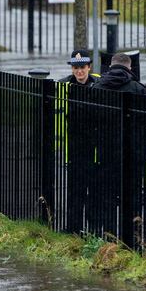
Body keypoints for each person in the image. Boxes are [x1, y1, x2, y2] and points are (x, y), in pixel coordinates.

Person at [90, 53, 146, 236]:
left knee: (108, 192)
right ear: (130, 67)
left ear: (110, 66)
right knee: (133, 191)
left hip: (106, 150)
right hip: (133, 151)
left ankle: (109, 232)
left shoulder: (98, 88)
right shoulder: (138, 89)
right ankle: (132, 231)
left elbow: (88, 118)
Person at [58, 50, 99, 233]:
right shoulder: (64, 86)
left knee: (95, 192)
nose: (79, 72)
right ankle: (73, 229)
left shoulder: (99, 85)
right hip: (74, 147)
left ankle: (94, 228)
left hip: (95, 147)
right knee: (75, 191)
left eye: (82, 67)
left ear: (89, 67)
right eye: (76, 68)